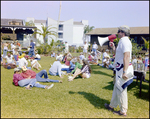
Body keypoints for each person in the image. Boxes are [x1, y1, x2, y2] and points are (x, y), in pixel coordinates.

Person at [104, 25, 133, 116]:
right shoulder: (122, 41)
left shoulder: (124, 41)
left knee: (121, 89)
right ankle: (112, 105)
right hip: (120, 68)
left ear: (123, 32)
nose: (117, 33)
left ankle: (123, 111)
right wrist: (113, 47)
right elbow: (119, 55)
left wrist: (124, 71)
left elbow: (127, 56)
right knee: (117, 88)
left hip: (122, 69)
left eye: (119, 31)